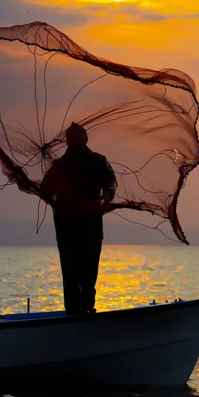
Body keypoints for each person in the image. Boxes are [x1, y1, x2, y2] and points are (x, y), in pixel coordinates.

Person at [40, 122, 117, 315]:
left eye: (78, 136)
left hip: (91, 224)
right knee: (70, 269)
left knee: (90, 268)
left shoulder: (98, 161)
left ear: (85, 138)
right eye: (71, 136)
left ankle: (87, 308)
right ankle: (74, 311)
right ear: (67, 140)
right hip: (66, 226)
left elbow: (110, 183)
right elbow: (45, 188)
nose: (74, 139)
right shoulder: (59, 165)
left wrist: (106, 198)